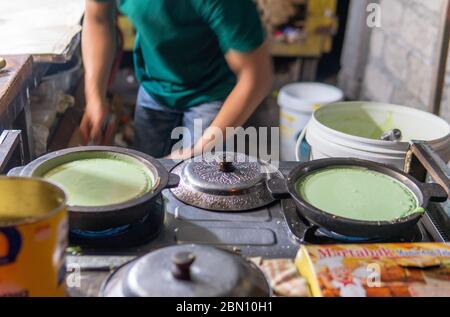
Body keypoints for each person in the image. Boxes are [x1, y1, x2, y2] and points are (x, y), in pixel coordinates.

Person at [81, 0, 273, 159]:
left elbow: (256, 77)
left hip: (213, 89)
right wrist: (95, 96)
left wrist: (201, 148)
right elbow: (98, 19)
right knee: (146, 177)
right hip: (154, 84)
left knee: (200, 182)